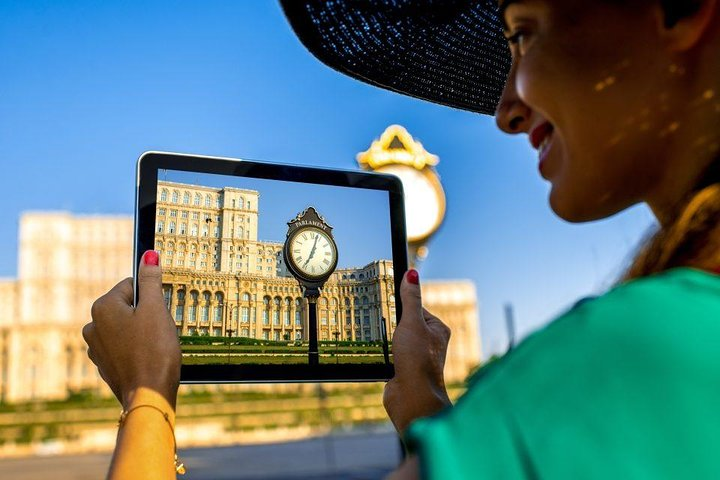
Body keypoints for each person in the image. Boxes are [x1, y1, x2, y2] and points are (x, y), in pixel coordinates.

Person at [83, 0, 720, 478]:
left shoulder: (624, 353)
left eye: (524, 33)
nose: (505, 110)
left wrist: (147, 399)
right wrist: (425, 408)